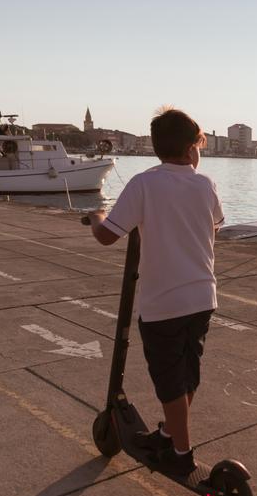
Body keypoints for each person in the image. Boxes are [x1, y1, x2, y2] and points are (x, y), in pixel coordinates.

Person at [87, 107, 224, 475]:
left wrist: (97, 216)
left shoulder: (144, 184)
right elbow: (214, 230)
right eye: (198, 144)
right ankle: (168, 433)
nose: (200, 152)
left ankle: (181, 453)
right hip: (201, 298)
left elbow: (107, 235)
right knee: (186, 374)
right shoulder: (206, 184)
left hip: (163, 302)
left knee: (169, 381)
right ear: (189, 148)